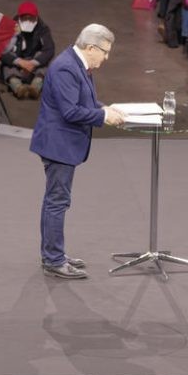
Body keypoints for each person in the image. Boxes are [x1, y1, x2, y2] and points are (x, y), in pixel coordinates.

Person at [30, 23, 125, 279]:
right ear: (91, 47)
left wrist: (107, 108)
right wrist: (103, 116)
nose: (106, 57)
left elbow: (85, 102)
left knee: (55, 200)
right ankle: (53, 259)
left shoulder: (78, 64)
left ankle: (53, 254)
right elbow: (71, 111)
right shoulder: (65, 68)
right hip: (58, 145)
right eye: (104, 51)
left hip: (62, 144)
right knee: (57, 202)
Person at [0, 0, 56, 100]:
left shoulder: (42, 29)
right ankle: (18, 88)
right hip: (17, 62)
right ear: (19, 18)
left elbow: (49, 49)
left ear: (36, 18)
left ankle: (35, 87)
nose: (28, 21)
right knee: (7, 67)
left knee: (46, 65)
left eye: (31, 19)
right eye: (25, 18)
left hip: (34, 62)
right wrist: (19, 62)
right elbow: (1, 51)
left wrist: (33, 63)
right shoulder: (10, 27)